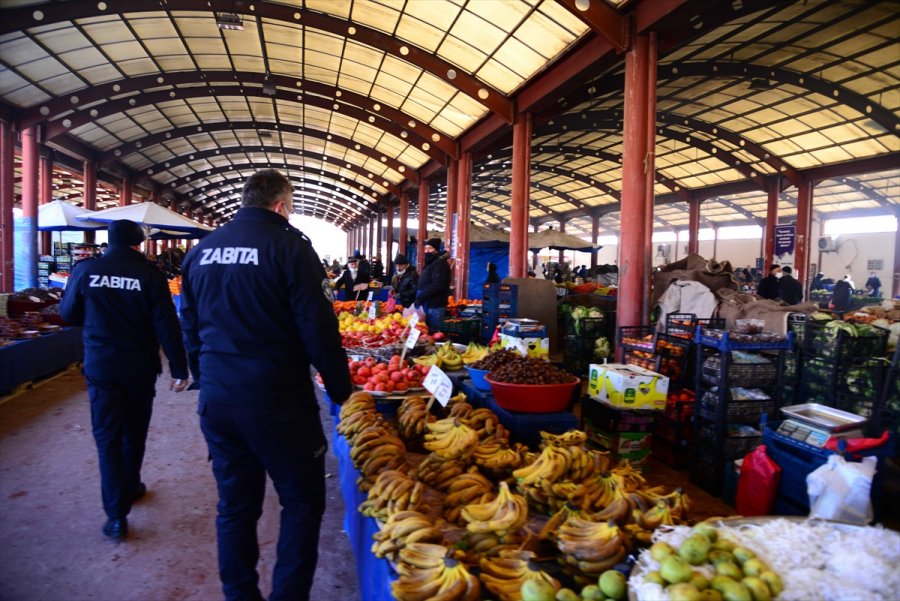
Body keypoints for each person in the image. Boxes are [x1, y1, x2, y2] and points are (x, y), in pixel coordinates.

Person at [180, 169, 353, 601]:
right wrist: (341, 394)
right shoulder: (290, 247)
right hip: (277, 402)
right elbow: (319, 329)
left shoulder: (202, 250)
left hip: (219, 400)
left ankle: (239, 595)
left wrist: (205, 380)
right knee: (301, 502)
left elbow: (190, 326)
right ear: (280, 206)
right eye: (291, 207)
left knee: (235, 507)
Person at [59, 219, 189, 540]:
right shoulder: (149, 275)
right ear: (138, 244)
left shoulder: (86, 271)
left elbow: (67, 314)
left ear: (109, 241)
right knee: (135, 429)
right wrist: (178, 368)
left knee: (108, 438)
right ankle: (131, 485)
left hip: (102, 367)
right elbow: (166, 325)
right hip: (139, 367)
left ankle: (116, 516)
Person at [415, 237, 451, 333]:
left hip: (435, 305)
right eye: (426, 248)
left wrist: (421, 296)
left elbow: (438, 285)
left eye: (430, 248)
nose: (427, 251)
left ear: (436, 250)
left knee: (434, 333)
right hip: (427, 303)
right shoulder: (431, 263)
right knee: (426, 332)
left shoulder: (439, 264)